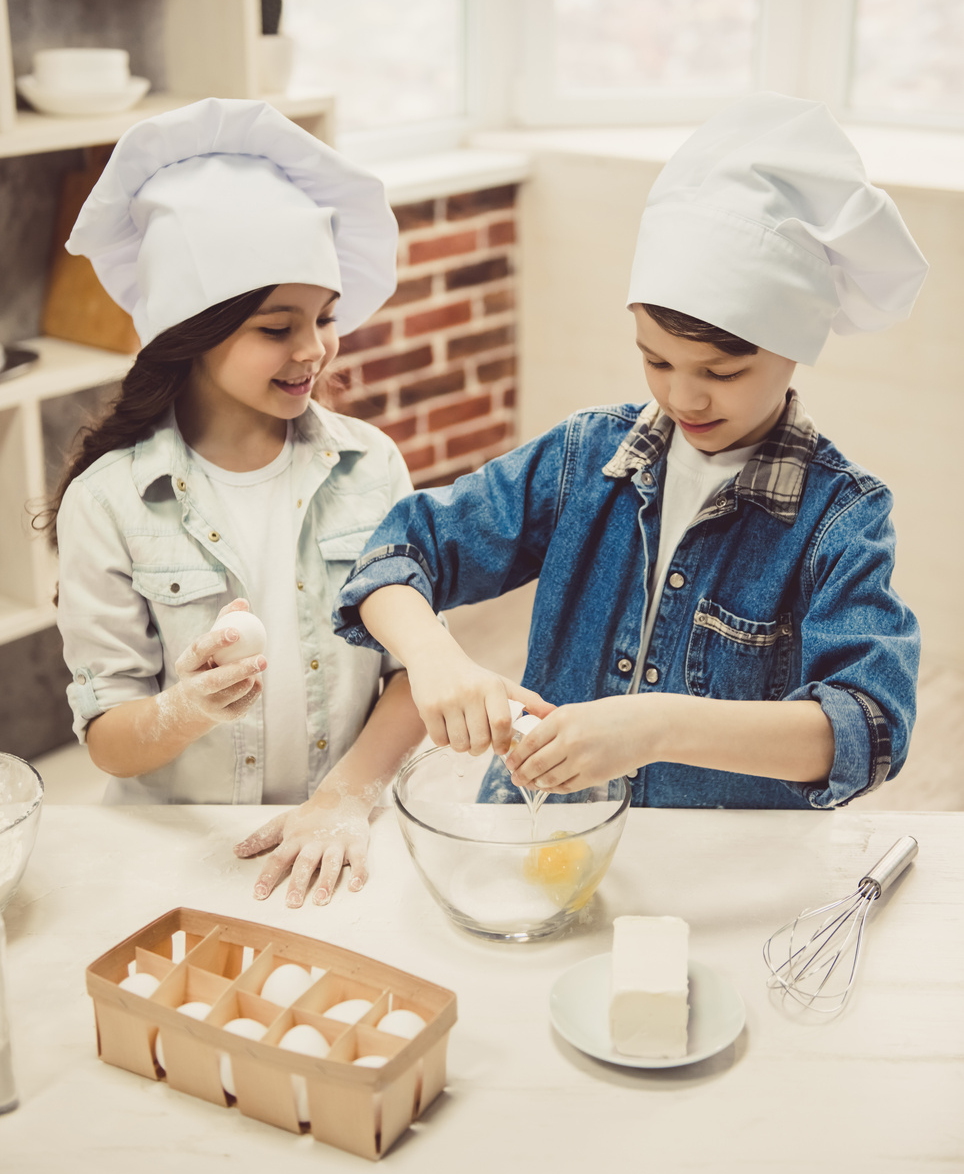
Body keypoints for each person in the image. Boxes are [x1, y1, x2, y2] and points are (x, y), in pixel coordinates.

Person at [332, 92, 928, 810]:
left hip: (713, 868)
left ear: (795, 348)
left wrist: (657, 725)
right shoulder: (586, 458)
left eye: (722, 372)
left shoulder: (840, 517)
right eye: (657, 360)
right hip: (541, 835)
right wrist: (432, 658)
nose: (685, 398)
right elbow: (400, 551)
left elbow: (867, 728)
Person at [47, 98, 430, 904]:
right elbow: (111, 743)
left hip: (343, 835)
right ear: (191, 332)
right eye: (274, 327)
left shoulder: (370, 467)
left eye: (325, 318)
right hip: (182, 853)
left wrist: (344, 798)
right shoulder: (110, 502)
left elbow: (411, 673)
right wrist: (186, 709)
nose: (315, 349)